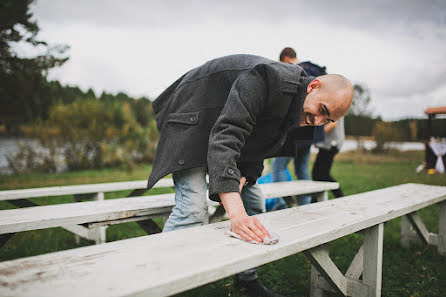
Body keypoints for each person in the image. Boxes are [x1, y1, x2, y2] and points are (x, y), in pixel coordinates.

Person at [146, 54, 353, 297]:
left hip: (220, 126)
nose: (317, 122)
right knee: (192, 208)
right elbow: (228, 135)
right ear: (313, 86)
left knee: (254, 202)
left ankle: (247, 279)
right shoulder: (269, 79)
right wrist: (235, 213)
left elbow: (260, 143)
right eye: (321, 110)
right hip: (191, 116)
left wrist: (243, 179)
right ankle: (152, 283)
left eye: (326, 120)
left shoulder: (298, 106)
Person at [271, 48, 326, 209]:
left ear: (285, 59)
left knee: (278, 167)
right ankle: (306, 204)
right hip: (309, 134)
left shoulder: (296, 72)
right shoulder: (313, 73)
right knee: (302, 169)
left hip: (294, 132)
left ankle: (281, 204)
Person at [312, 117, 346, 198]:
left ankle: (340, 197)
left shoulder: (336, 105)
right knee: (318, 174)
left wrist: (316, 137)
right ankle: (315, 200)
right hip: (327, 144)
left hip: (331, 144)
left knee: (322, 174)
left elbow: (333, 123)